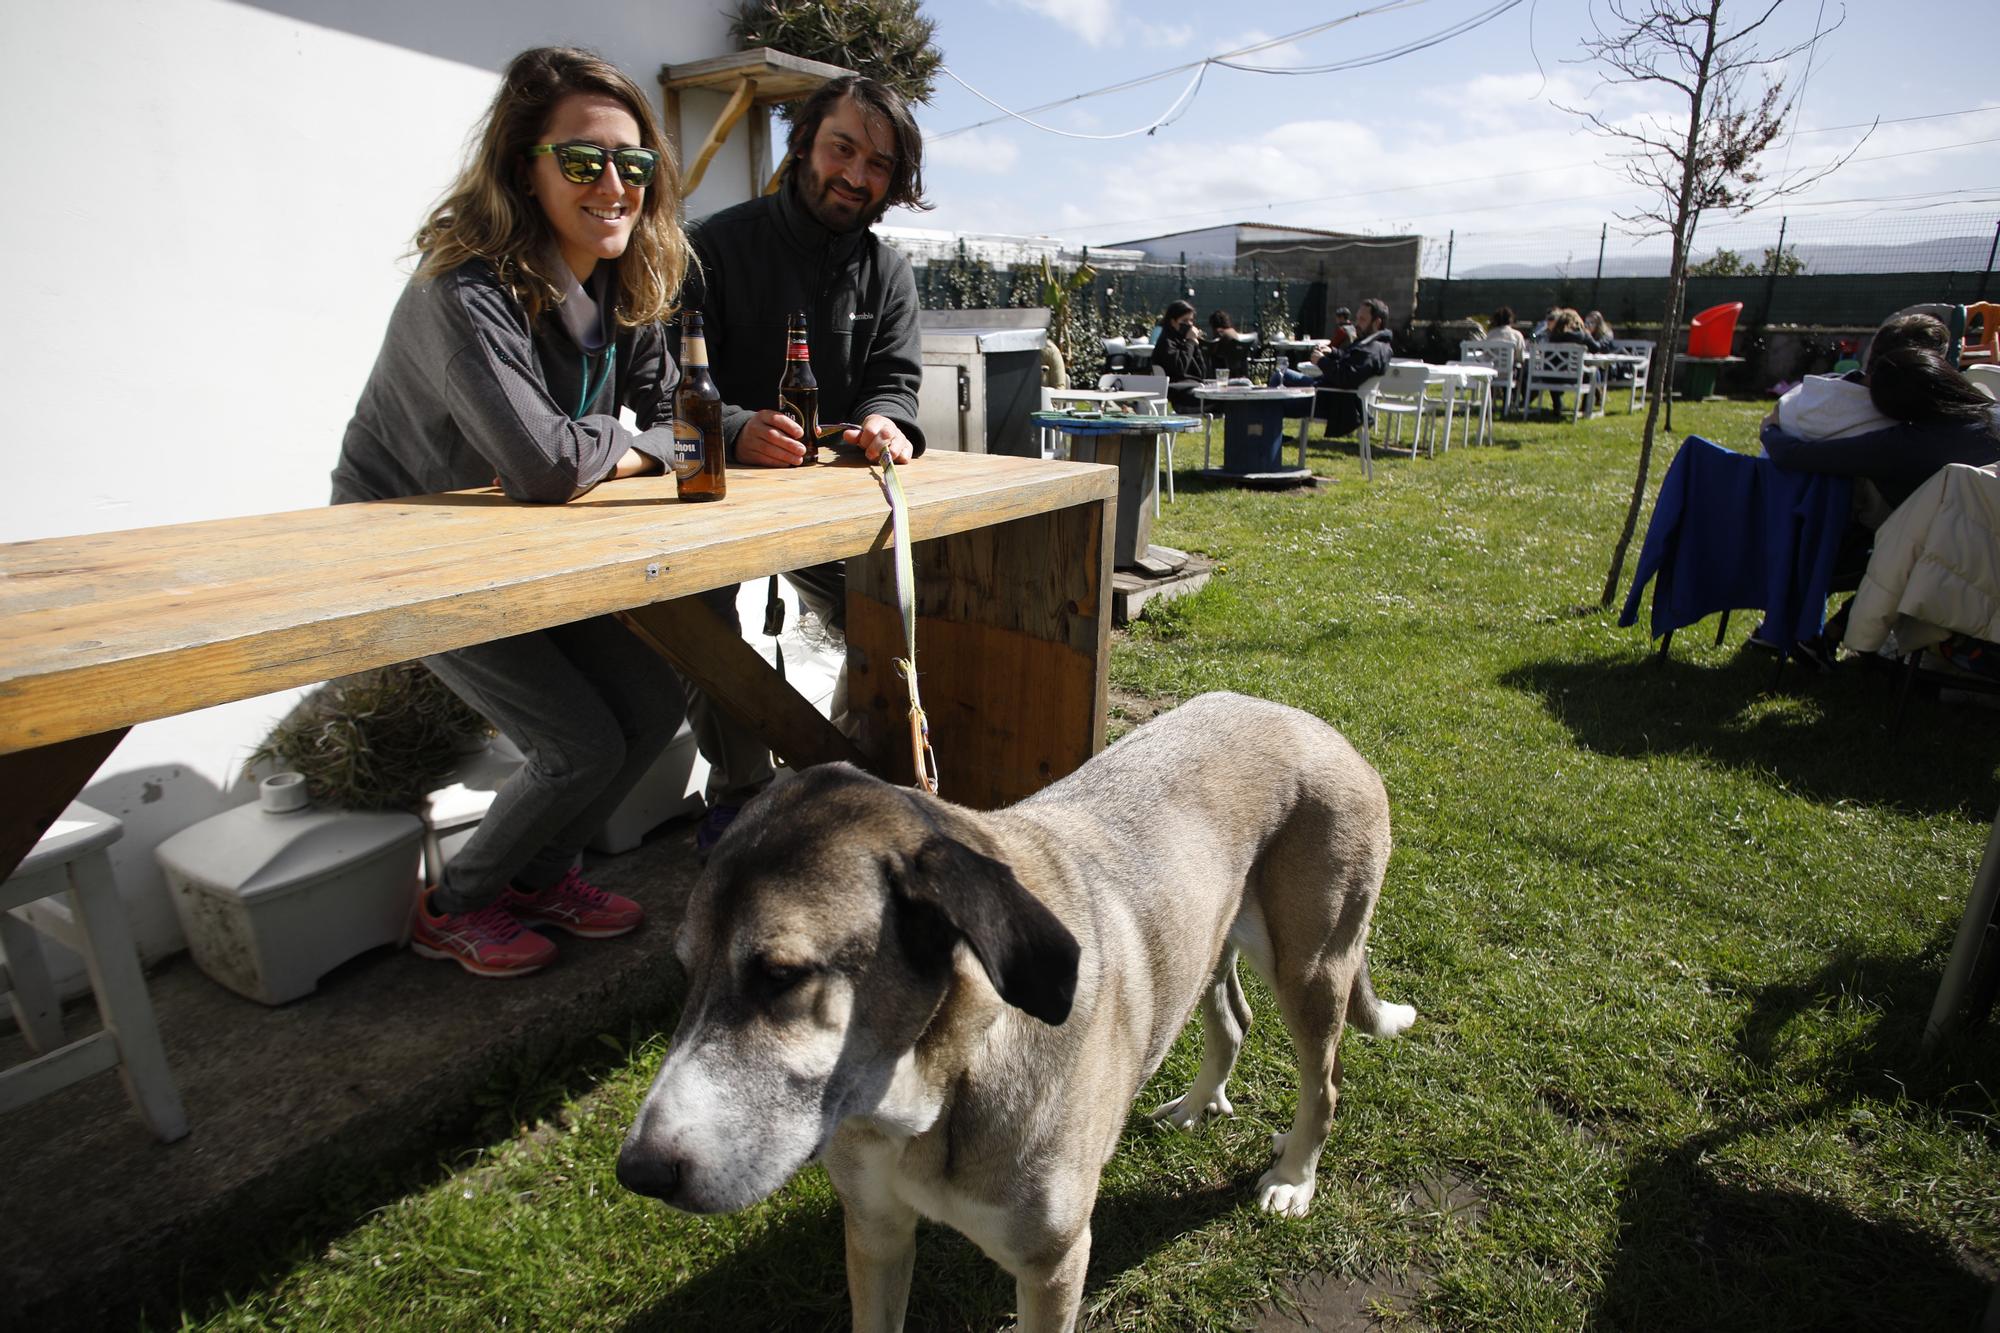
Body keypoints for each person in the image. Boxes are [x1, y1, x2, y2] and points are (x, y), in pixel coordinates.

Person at [329, 47, 691, 977]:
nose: (614, 184)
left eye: (634, 162)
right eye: (581, 160)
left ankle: (542, 878)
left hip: (523, 544)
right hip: (409, 544)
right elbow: (540, 464)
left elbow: (661, 418)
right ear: (522, 169)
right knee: (575, 744)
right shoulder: (461, 287)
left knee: (652, 701)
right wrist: (623, 436)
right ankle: (452, 903)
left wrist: (638, 433)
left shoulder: (628, 281)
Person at [675, 74, 927, 845]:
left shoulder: (887, 272)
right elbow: (659, 382)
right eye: (842, 149)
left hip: (831, 504)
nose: (856, 175)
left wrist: (887, 422)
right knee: (702, 628)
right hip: (714, 494)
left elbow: (897, 382)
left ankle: (853, 776)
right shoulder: (711, 247)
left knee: (892, 612)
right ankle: (742, 794)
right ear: (803, 145)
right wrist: (741, 423)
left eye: (878, 164)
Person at [1277, 297, 1394, 436]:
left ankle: (1268, 440)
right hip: (1326, 390)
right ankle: (1273, 437)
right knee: (1280, 375)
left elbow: (1346, 378)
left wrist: (1321, 361)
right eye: (1357, 318)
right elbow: (1351, 361)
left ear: (1377, 323)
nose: (1357, 324)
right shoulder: (1373, 345)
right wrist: (1332, 352)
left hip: (1329, 402)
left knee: (1270, 403)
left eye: (1362, 320)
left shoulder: (1373, 351)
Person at [1150, 299, 1207, 411]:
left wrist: (1194, 346)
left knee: (1242, 384)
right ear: (1173, 322)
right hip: (1183, 395)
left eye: (1191, 320)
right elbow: (1179, 368)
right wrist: (1190, 342)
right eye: (1185, 321)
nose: (1189, 324)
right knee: (1232, 401)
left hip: (1197, 388)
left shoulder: (1184, 340)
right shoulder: (1166, 343)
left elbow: (1202, 373)